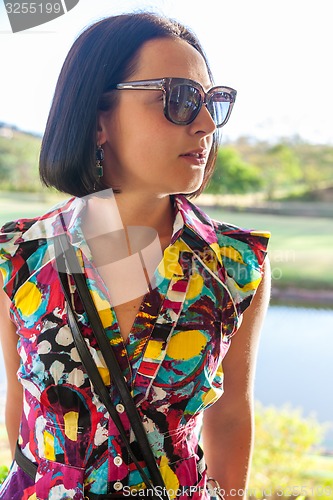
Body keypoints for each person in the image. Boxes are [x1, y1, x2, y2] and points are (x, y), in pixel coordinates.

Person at [0, 12, 270, 500]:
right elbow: (21, 406)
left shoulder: (235, 264)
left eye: (211, 102)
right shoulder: (19, 255)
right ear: (99, 118)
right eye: (180, 100)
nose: (207, 124)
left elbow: (230, 416)